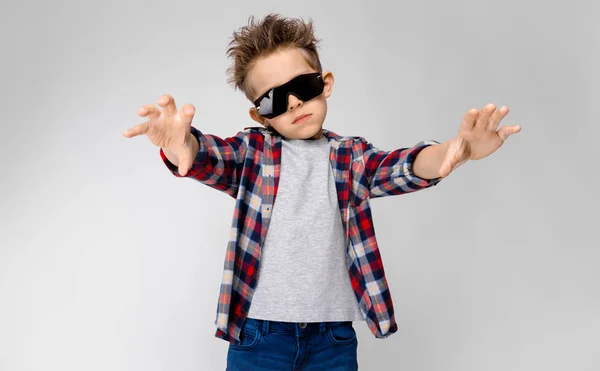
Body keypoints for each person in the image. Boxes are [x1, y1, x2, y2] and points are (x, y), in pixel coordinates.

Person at [123, 13, 521, 371]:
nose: (295, 101)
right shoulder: (252, 154)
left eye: (303, 85)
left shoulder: (351, 158)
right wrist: (179, 145)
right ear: (259, 114)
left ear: (325, 83)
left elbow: (403, 166)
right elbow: (207, 157)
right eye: (276, 98)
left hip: (332, 338)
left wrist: (458, 150)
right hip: (259, 335)